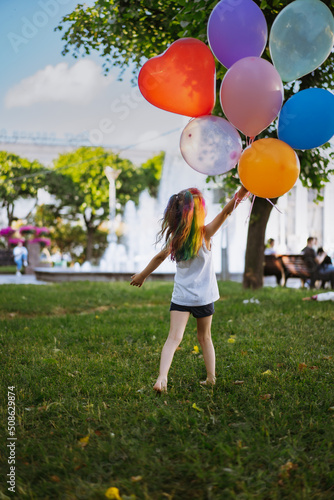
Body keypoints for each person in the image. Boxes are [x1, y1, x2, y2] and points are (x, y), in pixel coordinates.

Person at [130, 185, 249, 392]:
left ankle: (162, 378)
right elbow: (226, 211)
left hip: (182, 298)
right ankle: (211, 378)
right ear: (198, 211)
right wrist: (242, 192)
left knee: (173, 338)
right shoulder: (206, 233)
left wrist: (143, 275)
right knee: (205, 338)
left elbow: (159, 257)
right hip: (204, 297)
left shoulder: (177, 238)